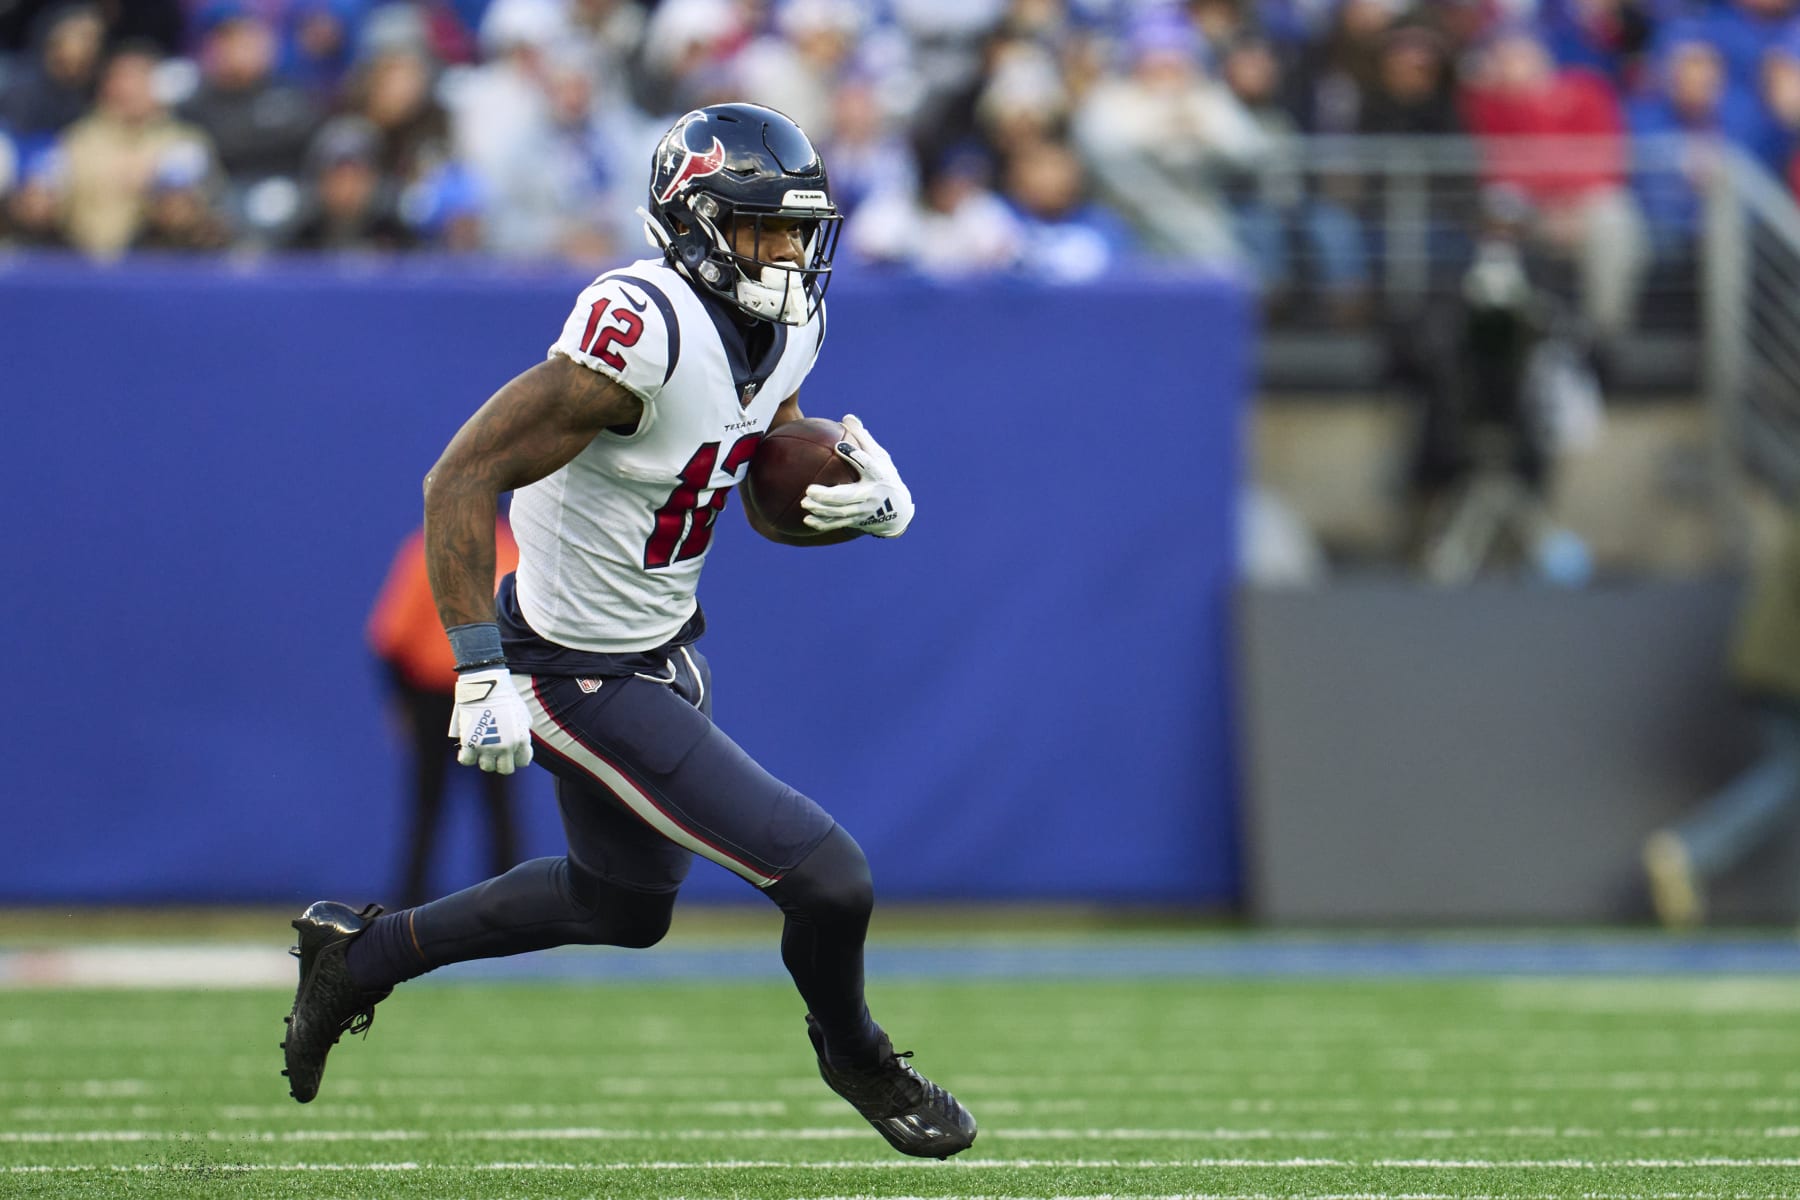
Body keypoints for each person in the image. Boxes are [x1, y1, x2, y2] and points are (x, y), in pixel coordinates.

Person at [280, 102, 978, 1161]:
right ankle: (857, 1054)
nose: (792, 251)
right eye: (767, 228)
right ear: (696, 223)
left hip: (660, 648)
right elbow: (459, 478)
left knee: (623, 904)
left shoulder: (786, 327)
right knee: (830, 879)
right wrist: (478, 670)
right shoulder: (639, 326)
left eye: (801, 229)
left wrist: (856, 503)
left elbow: (753, 473)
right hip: (570, 667)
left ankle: (361, 957)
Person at [1644, 506, 1800, 928]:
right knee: (1791, 776)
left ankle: (1690, 852)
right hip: (1786, 665)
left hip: (1775, 661)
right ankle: (1689, 851)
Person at [367, 519, 522, 909]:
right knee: (497, 805)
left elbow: (390, 638)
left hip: (438, 693)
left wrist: (400, 702)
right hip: (488, 690)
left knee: (429, 806)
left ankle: (409, 906)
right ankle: (510, 906)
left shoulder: (425, 550)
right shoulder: (513, 551)